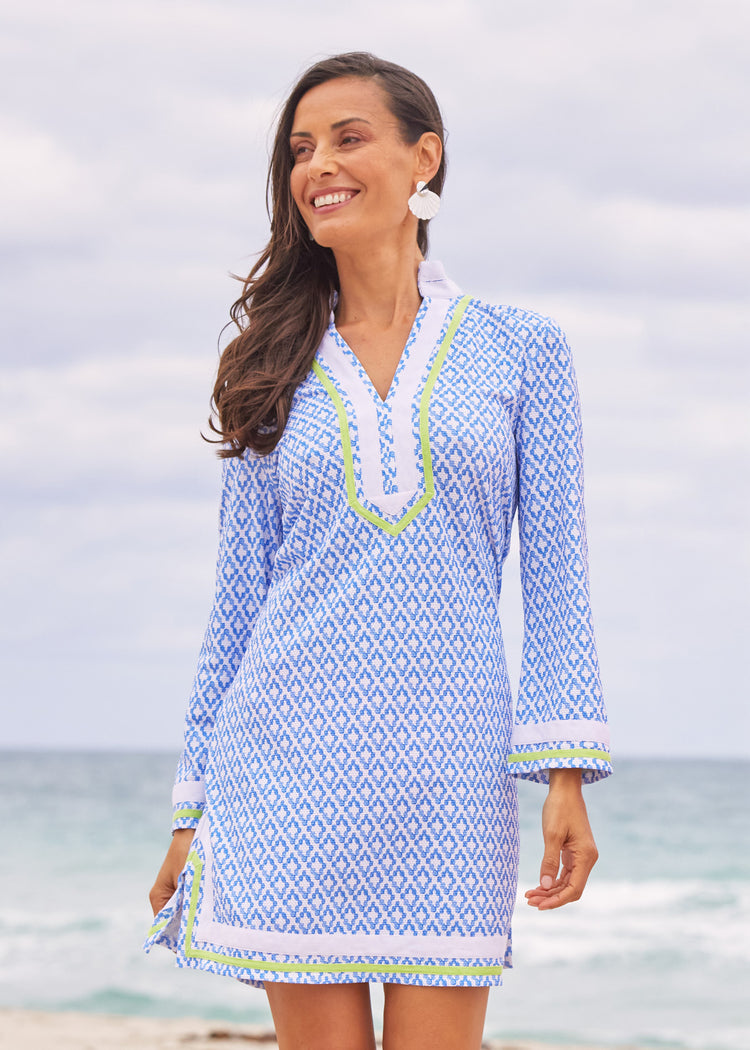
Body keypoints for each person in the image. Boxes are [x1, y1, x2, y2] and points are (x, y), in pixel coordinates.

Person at [145, 52, 612, 1050]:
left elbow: (560, 577)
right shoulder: (268, 365)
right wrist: (191, 807)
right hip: (282, 772)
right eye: (300, 150)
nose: (317, 165)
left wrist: (564, 774)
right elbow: (237, 606)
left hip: (451, 781)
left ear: (424, 159)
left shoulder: (523, 350)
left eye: (348, 138)